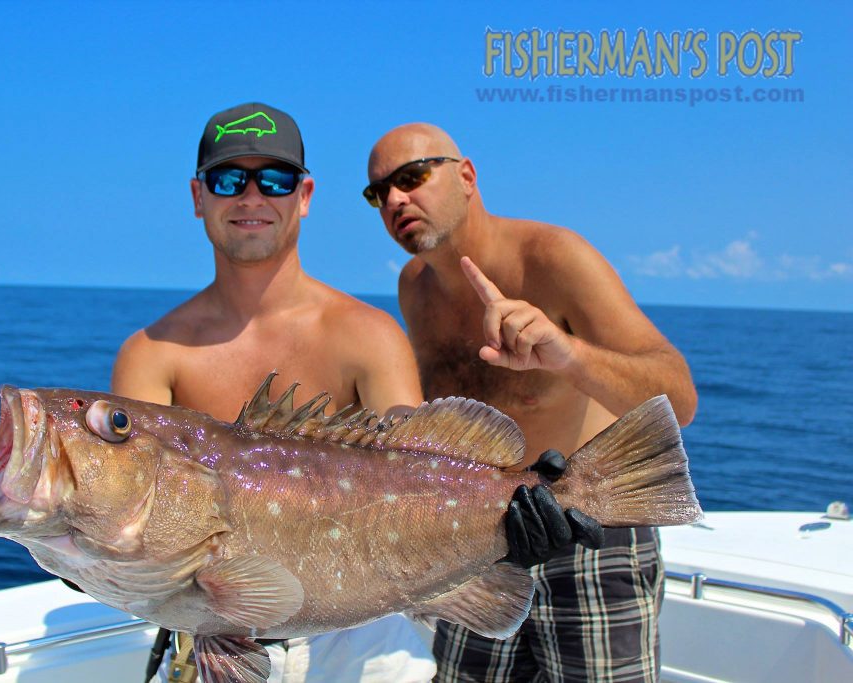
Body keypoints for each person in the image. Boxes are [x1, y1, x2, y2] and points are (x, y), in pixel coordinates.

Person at [110, 103, 596, 683]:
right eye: (227, 179)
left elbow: (425, 469)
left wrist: (515, 519)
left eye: (275, 179)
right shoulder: (150, 352)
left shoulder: (367, 334)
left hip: (367, 644)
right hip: (209, 637)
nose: (251, 197)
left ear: (305, 194)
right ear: (198, 196)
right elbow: (124, 513)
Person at [364, 123, 698, 683]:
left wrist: (568, 356)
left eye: (412, 177)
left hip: (590, 526)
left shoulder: (554, 257)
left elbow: (679, 396)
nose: (396, 199)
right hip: (482, 534)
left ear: (466, 176)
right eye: (379, 192)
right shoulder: (412, 287)